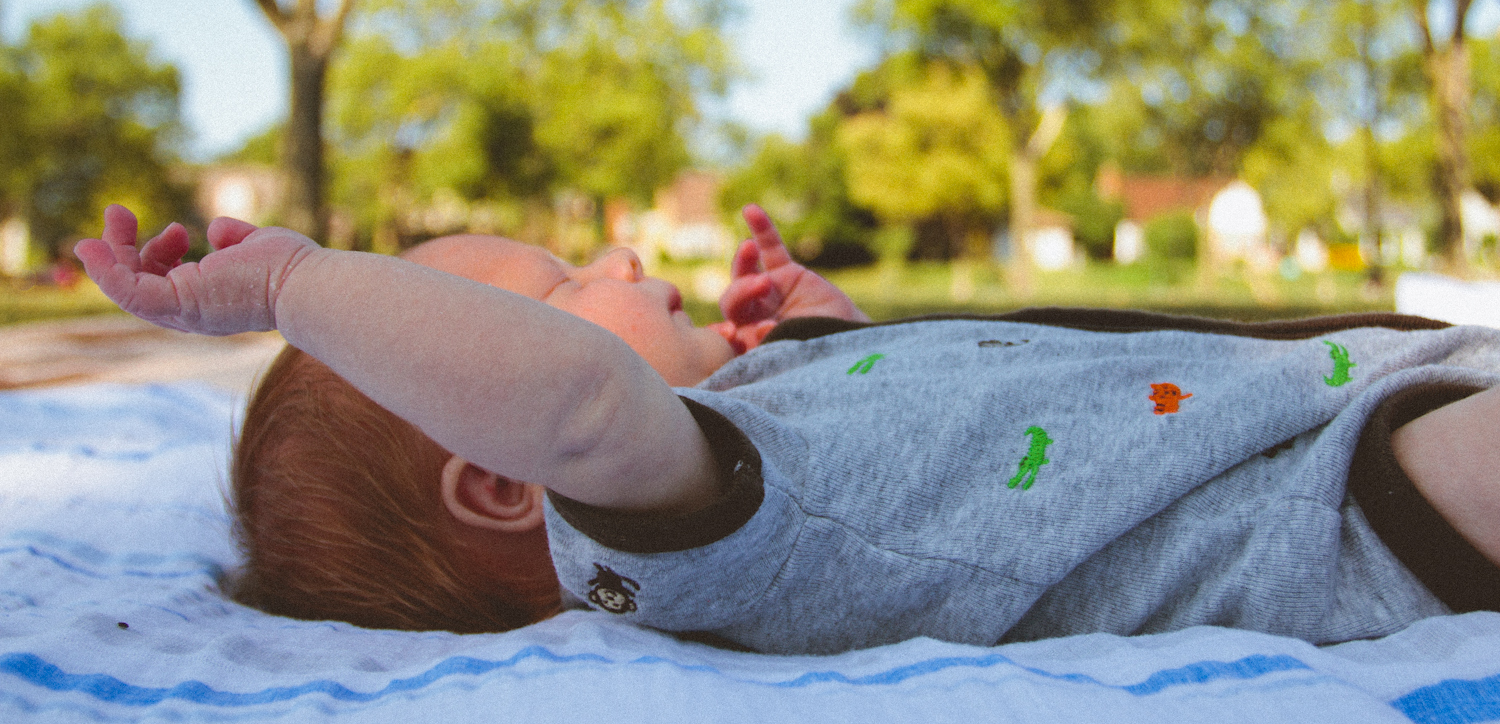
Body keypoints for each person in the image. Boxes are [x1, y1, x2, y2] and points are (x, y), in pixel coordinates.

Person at [75, 204, 1500, 654]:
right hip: (1334, 519)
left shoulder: (753, 450)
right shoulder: (658, 539)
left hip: (1340, 404)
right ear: (511, 484)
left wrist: (833, 325)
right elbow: (576, 403)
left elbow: (940, 451)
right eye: (566, 290)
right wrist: (295, 288)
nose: (623, 264)